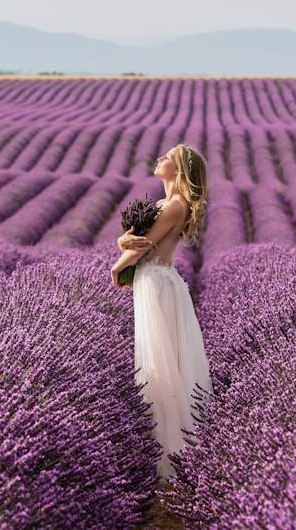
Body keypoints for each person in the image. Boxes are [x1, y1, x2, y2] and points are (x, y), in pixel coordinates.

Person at [110, 144, 213, 480]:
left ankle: (170, 454)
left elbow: (143, 247)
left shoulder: (175, 205)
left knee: (159, 367)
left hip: (155, 283)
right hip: (153, 282)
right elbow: (130, 242)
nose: (160, 160)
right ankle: (164, 450)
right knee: (157, 364)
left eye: (167, 157)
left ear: (180, 169)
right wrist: (124, 244)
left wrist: (116, 267)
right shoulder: (163, 205)